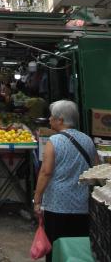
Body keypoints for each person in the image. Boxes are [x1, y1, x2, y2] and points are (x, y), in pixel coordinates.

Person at [34, 100, 99, 262]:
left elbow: (45, 172)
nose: (49, 119)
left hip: (57, 206)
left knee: (56, 248)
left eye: (52, 117)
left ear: (60, 120)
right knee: (76, 249)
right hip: (81, 205)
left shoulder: (54, 142)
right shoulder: (87, 140)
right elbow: (96, 169)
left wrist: (37, 200)